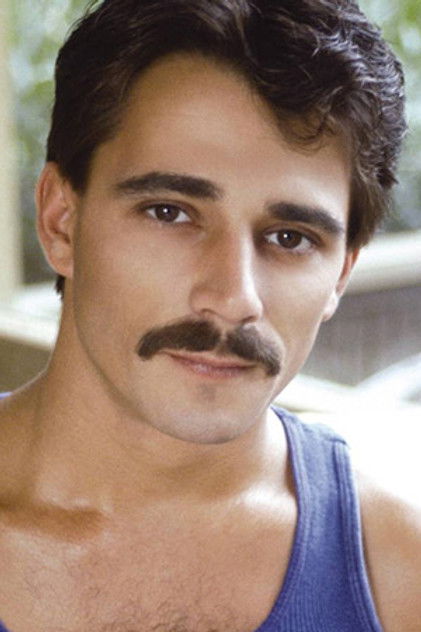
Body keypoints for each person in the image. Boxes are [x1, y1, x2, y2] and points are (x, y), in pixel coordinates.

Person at [0, 0, 419, 630]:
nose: (233, 297)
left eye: (290, 238)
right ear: (61, 222)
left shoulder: (400, 572)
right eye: (169, 212)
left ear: (340, 274)